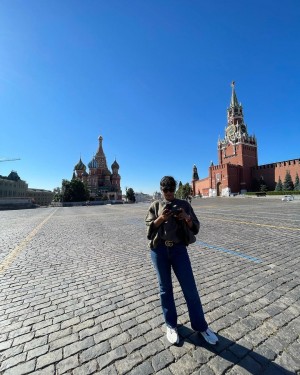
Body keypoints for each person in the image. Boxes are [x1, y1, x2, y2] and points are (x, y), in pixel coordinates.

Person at [145, 176, 218, 345]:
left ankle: (201, 326)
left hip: (179, 250)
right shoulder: (155, 206)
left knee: (190, 288)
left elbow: (196, 228)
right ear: (161, 190)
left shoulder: (185, 205)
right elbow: (149, 229)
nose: (169, 193)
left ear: (175, 189)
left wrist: (186, 217)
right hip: (160, 250)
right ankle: (171, 325)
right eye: (166, 190)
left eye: (171, 189)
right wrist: (161, 218)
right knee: (165, 289)